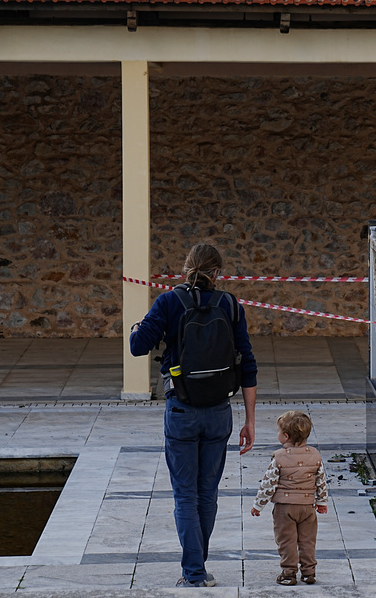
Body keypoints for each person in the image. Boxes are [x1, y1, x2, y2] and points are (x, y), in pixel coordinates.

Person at [129, 243, 257, 588]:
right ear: (217, 273)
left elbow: (139, 347)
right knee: (207, 494)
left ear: (185, 268)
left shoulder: (169, 302)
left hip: (182, 411)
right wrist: (250, 420)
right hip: (219, 412)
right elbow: (248, 363)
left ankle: (195, 573)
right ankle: (199, 567)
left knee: (185, 495)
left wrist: (135, 329)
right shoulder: (230, 304)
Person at [250, 410, 329, 586]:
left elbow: (268, 484)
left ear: (285, 436)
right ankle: (309, 572)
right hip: (308, 507)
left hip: (284, 509)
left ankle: (289, 573)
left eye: (278, 432)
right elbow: (321, 481)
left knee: (286, 540)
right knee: (307, 539)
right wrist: (322, 502)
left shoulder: (279, 457)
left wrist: (258, 505)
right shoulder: (315, 455)